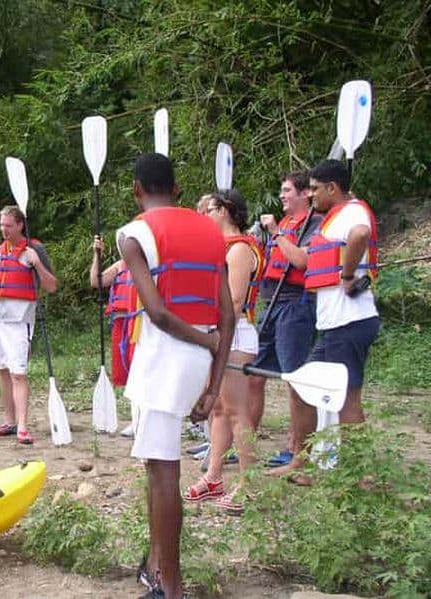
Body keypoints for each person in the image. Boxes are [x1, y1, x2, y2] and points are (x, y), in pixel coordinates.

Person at [117, 153, 234, 599]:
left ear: (136, 189)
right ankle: (155, 564)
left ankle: (171, 585)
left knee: (163, 471)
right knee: (158, 466)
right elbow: (227, 313)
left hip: (167, 355)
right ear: (178, 188)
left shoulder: (133, 235)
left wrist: (204, 346)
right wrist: (215, 380)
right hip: (200, 360)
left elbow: (160, 315)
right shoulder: (210, 230)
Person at [268, 159, 380, 483]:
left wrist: (346, 275)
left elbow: (360, 234)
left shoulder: (353, 213)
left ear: (333, 188)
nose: (312, 194)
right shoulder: (334, 217)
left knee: (346, 399)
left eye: (316, 189)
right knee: (306, 388)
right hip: (335, 324)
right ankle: (305, 461)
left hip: (350, 321)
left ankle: (359, 475)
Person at [184, 190, 264, 515]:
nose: (203, 213)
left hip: (235, 333)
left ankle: (248, 484)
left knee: (235, 411)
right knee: (216, 408)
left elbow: (234, 300)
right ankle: (214, 475)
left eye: (210, 208)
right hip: (216, 335)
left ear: (225, 210)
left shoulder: (241, 248)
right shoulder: (219, 247)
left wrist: (213, 335)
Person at [250, 172, 322, 467]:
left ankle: (298, 450)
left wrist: (277, 233)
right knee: (253, 374)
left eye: (287, 190)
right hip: (270, 303)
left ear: (305, 194)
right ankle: (243, 442)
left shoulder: (314, 223)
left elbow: (302, 261)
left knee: (296, 380)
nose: (281, 196)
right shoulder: (287, 224)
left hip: (295, 305)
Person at [0, 205, 57, 445]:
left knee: (18, 373)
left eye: (8, 225)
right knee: (2, 369)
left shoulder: (35, 249)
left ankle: (22, 426)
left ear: (20, 225)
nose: (4, 230)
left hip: (20, 321)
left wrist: (37, 265)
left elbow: (51, 286)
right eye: (1, 225)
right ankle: (9, 421)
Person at [90, 235, 136, 438]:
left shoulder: (146, 264)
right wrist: (97, 255)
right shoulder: (120, 266)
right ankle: (136, 419)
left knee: (138, 370)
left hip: (138, 322)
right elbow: (96, 281)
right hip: (120, 322)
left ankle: (140, 420)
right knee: (125, 371)